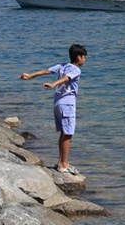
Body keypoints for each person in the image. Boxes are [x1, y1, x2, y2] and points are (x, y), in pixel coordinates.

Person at [20, 44, 87, 175]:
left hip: (57, 104)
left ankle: (61, 162)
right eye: (84, 57)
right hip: (67, 105)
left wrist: (30, 76)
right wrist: (53, 84)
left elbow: (46, 71)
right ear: (79, 57)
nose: (84, 60)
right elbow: (66, 78)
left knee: (64, 133)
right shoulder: (76, 70)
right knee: (68, 135)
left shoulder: (62, 65)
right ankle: (64, 165)